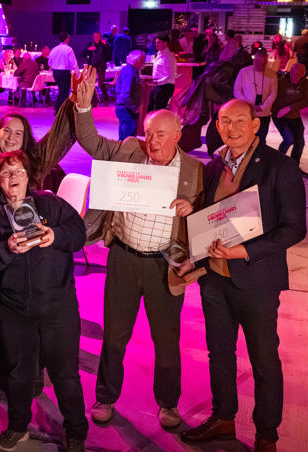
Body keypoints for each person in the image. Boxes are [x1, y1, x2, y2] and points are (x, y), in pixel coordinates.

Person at [72, 66, 204, 430]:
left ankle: (168, 404)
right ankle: (105, 397)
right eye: (149, 134)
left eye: (161, 134)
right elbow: (93, 144)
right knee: (114, 333)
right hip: (125, 258)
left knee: (166, 338)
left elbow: (208, 220)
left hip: (165, 264)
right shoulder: (131, 150)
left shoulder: (193, 170)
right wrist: (83, 109)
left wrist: (193, 213)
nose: (154, 141)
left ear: (179, 134)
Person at [179, 99, 306, 452]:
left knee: (264, 361)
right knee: (219, 352)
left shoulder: (279, 167)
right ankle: (223, 418)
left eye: (239, 121)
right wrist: (192, 210)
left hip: (256, 282)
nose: (231, 128)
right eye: (223, 121)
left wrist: (244, 251)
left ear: (255, 125)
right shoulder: (216, 163)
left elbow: (294, 228)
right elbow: (212, 213)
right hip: (215, 279)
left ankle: (267, 437)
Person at [0, 150, 88, 452]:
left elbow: (79, 235)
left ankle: (75, 433)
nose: (12, 178)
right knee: (18, 374)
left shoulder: (49, 204)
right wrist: (6, 249)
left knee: (65, 376)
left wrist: (55, 235)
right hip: (14, 309)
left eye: (18, 171)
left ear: (29, 177)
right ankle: (18, 426)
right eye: (5, 174)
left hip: (57, 306)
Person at [271, 63, 308, 176]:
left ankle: (294, 167)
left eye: (298, 74)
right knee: (289, 139)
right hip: (280, 116)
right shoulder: (281, 82)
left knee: (300, 142)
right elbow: (271, 95)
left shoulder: (305, 84)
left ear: (303, 75)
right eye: (293, 73)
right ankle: (277, 165)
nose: (295, 76)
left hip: (294, 116)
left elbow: (305, 101)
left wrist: (289, 108)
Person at [232, 48, 277, 147]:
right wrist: (248, 104)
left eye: (263, 63)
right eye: (258, 63)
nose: (260, 66)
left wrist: (262, 107)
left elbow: (273, 94)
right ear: (254, 61)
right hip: (247, 112)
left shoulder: (272, 74)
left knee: (261, 140)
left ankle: (259, 160)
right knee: (246, 139)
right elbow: (237, 90)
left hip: (264, 113)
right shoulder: (244, 72)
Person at [115, 50, 146, 141]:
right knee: (128, 138)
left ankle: (122, 153)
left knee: (124, 137)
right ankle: (125, 154)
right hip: (126, 109)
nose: (144, 63)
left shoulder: (130, 70)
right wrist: (134, 108)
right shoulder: (130, 73)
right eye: (143, 60)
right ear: (138, 60)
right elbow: (125, 95)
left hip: (124, 108)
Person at [49, 32, 79, 113]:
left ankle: (58, 108)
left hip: (56, 72)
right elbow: (74, 63)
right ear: (66, 39)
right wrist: (78, 75)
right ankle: (60, 109)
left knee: (62, 90)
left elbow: (49, 63)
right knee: (64, 91)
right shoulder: (68, 49)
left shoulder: (54, 49)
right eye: (68, 38)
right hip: (64, 72)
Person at [149, 34, 177, 112]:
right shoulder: (159, 54)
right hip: (158, 86)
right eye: (156, 42)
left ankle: (159, 124)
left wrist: (157, 82)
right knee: (151, 110)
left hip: (165, 87)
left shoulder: (169, 57)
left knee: (158, 112)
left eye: (159, 43)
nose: (156, 45)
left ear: (165, 43)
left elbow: (170, 75)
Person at [85, 32, 111, 102]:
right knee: (91, 83)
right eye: (95, 37)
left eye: (98, 37)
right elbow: (83, 53)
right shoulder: (91, 44)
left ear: (100, 37)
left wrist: (106, 45)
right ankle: (93, 100)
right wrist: (89, 49)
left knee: (101, 83)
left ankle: (106, 97)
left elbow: (110, 53)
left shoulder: (103, 44)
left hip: (101, 65)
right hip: (92, 66)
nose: (96, 39)